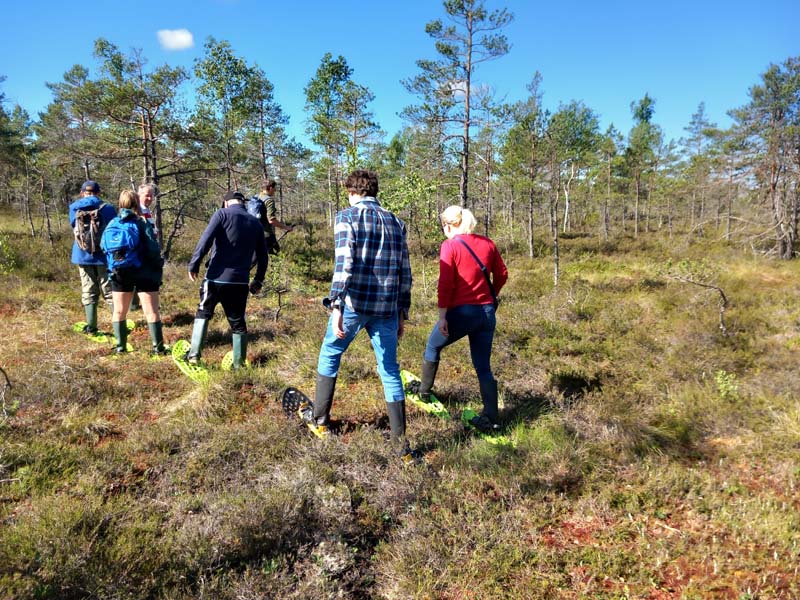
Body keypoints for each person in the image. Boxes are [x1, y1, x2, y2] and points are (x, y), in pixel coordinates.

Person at [302, 169, 415, 462]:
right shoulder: (396, 222)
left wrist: (336, 305)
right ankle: (399, 446)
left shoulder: (346, 217)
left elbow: (344, 265)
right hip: (388, 307)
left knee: (330, 353)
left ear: (352, 192)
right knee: (390, 369)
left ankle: (320, 420)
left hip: (354, 304)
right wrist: (403, 311)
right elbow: (405, 271)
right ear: (374, 191)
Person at [414, 205, 508, 433]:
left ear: (449, 225)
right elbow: (502, 274)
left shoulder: (450, 246)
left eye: (443, 226)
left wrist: (443, 315)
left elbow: (446, 284)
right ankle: (492, 419)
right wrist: (490, 296)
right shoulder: (488, 244)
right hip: (486, 313)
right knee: (483, 366)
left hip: (462, 313)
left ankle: (424, 393)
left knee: (433, 345)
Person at [184, 190, 267, 370]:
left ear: (226, 202)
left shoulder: (221, 214)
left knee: (203, 313)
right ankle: (239, 365)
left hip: (215, 278)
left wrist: (194, 264)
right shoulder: (255, 222)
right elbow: (263, 255)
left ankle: (193, 356)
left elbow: (205, 240)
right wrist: (258, 280)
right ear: (242, 203)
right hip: (239, 281)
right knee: (238, 322)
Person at [103, 190, 167, 355]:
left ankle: (120, 347)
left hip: (120, 272)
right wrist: (158, 265)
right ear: (136, 203)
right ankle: (158, 349)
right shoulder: (142, 223)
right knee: (151, 312)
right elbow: (152, 249)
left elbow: (104, 247)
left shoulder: (112, 224)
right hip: (144, 272)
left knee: (119, 311)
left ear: (120, 204)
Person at [69, 180, 117, 334]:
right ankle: (119, 326)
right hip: (104, 256)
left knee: (88, 290)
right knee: (109, 292)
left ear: (83, 192)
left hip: (82, 254)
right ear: (98, 193)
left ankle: (92, 327)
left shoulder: (74, 207)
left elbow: (73, 225)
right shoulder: (108, 209)